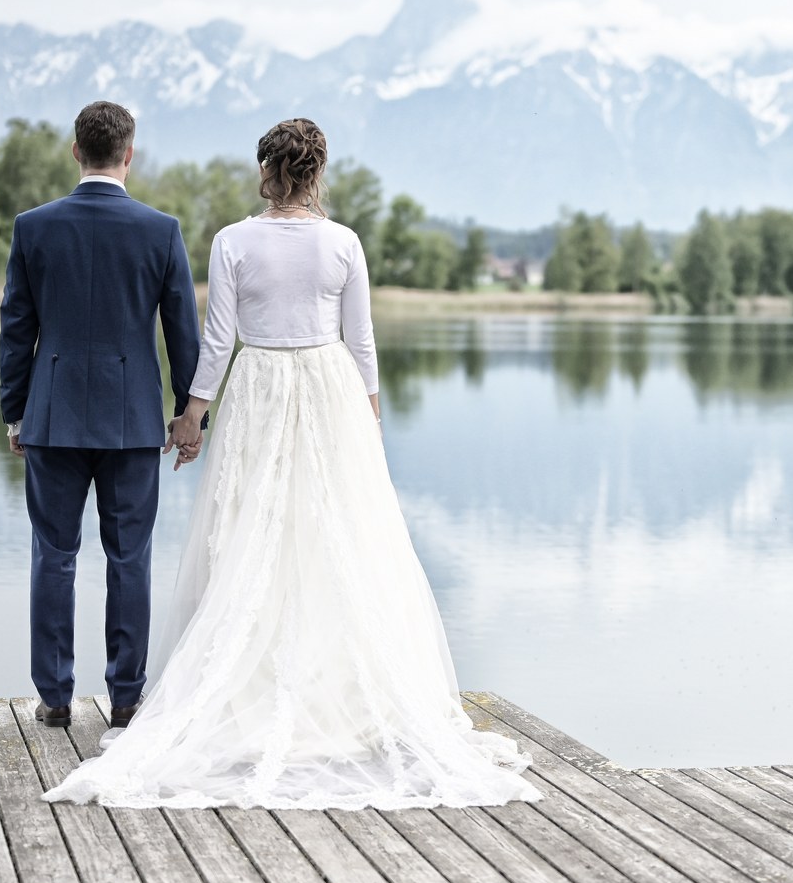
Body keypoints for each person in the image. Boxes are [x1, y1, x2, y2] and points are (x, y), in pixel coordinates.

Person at [44, 118, 536, 810]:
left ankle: (252, 689)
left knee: (252, 536)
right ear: (316, 173)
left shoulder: (233, 241)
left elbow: (216, 343)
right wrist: (369, 421)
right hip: (330, 389)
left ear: (268, 170)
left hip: (260, 388)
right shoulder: (344, 244)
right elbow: (361, 344)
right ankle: (327, 695)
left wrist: (193, 414)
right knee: (330, 536)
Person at [0, 100, 201, 731]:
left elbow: (16, 328)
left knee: (53, 555)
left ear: (76, 151)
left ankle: (55, 696)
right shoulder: (160, 230)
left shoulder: (34, 227)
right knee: (129, 557)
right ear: (129, 155)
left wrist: (15, 412)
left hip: (52, 417)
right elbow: (181, 332)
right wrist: (186, 412)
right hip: (134, 421)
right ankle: (126, 697)